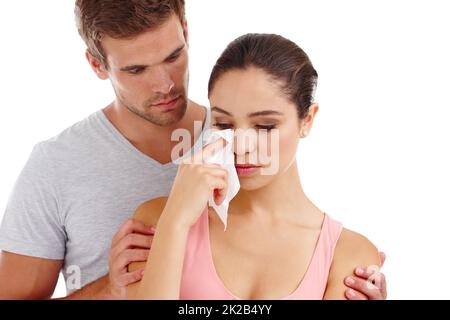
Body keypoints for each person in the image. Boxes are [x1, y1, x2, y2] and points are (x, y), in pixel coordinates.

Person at [0, 1, 386, 300]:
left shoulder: (236, 124)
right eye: (136, 70)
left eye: (173, 56)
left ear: (186, 31)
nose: (165, 84)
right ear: (98, 65)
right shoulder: (58, 167)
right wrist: (111, 289)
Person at [127, 33, 384, 300]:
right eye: (224, 125)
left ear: (307, 119)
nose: (241, 146)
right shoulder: (158, 222)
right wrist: (176, 221)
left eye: (265, 126)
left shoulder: (349, 254)